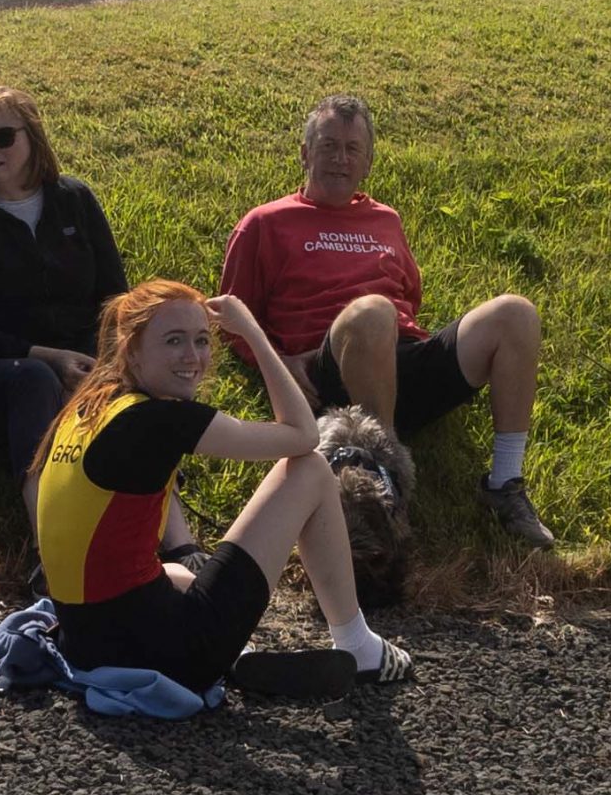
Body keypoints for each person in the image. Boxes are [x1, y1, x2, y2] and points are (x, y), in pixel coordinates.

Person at [26, 280, 414, 689]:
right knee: (311, 471)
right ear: (132, 350)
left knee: (176, 572)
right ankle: (358, 645)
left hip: (83, 643)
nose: (192, 357)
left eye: (201, 340)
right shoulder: (161, 420)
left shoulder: (89, 405)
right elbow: (304, 435)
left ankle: (237, 654)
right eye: (174, 341)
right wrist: (252, 332)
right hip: (169, 654)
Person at [219, 94, 555, 549]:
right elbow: (232, 318)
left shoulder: (385, 220)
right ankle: (387, 482)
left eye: (352, 149)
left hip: (399, 357)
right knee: (372, 311)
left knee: (514, 312)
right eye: (328, 145)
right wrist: (276, 363)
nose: (340, 159)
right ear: (304, 153)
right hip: (332, 369)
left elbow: (409, 300)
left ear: (368, 162)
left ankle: (505, 484)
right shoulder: (264, 223)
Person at [0, 86, 129, 479]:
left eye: (2, 137)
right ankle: (41, 518)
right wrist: (49, 358)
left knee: (129, 373)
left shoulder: (74, 198)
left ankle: (173, 531)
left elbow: (115, 299)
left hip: (81, 352)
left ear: (33, 137)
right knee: (35, 378)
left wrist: (97, 362)